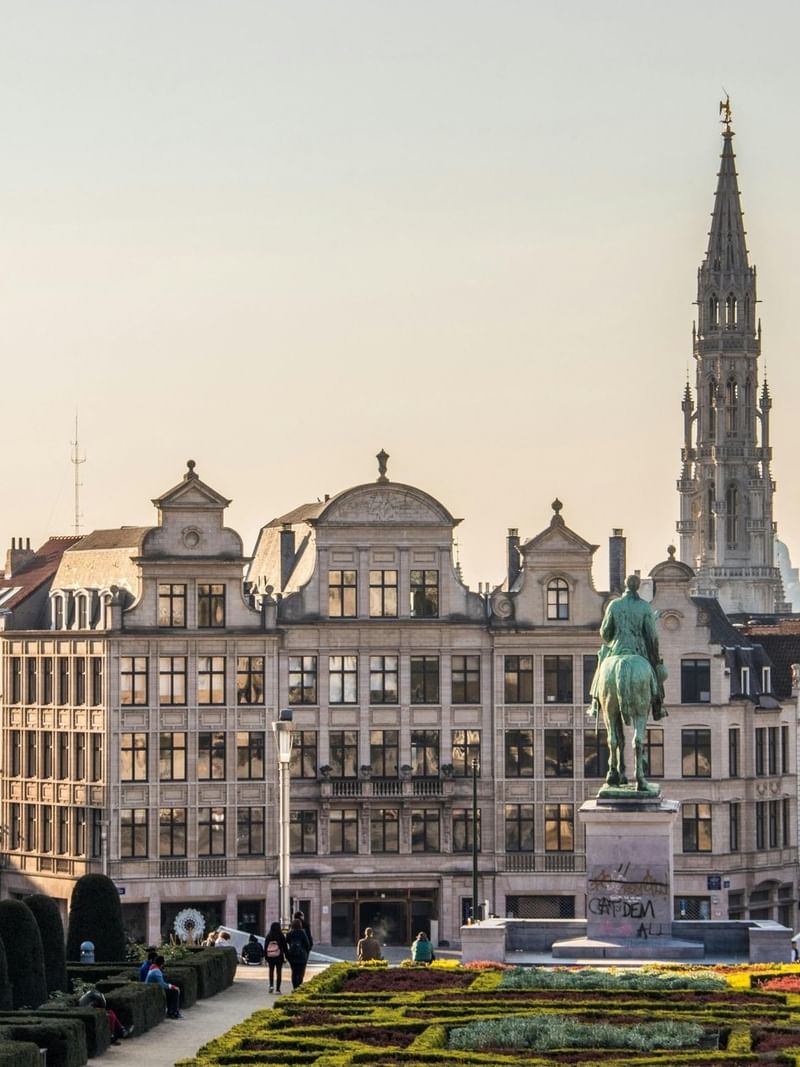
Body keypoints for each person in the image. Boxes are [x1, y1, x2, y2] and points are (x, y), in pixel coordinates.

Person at [145, 954, 182, 1019]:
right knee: (175, 991)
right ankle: (174, 1012)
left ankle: (171, 1012)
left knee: (171, 991)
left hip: (151, 988)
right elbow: (163, 985)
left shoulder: (152, 967)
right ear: (162, 964)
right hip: (153, 991)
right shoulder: (157, 971)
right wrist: (173, 986)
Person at [285, 918, 311, 990]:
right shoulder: (302, 932)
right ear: (300, 925)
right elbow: (307, 944)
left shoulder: (290, 933)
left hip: (292, 956)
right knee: (300, 973)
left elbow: (286, 942)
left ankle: (294, 988)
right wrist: (305, 951)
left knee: (294, 972)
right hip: (301, 956)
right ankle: (299, 988)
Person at [264, 921, 289, 994]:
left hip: (270, 956)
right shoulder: (281, 936)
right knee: (279, 972)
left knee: (271, 971)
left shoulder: (269, 936)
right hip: (279, 956)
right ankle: (278, 989)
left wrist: (265, 957)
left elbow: (265, 947)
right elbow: (285, 947)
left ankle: (271, 986)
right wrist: (287, 957)